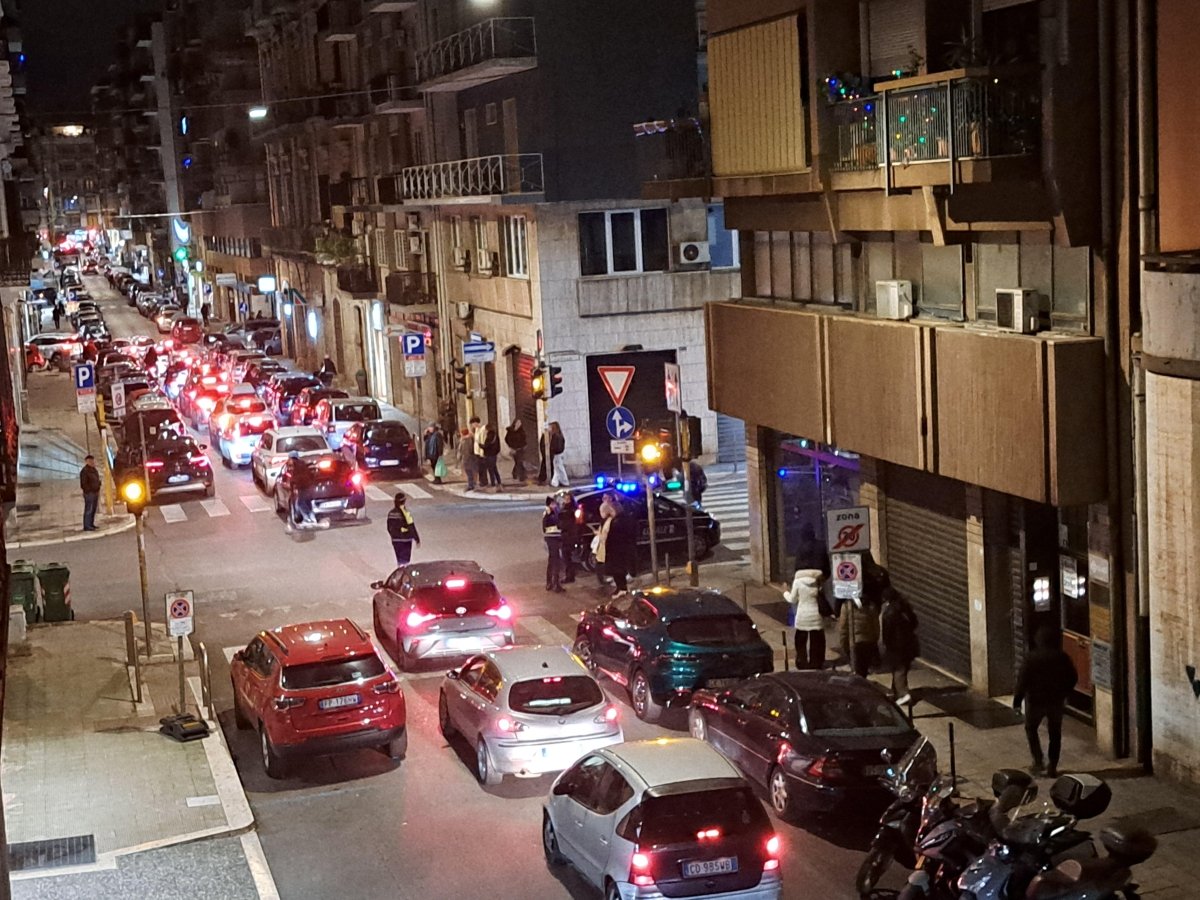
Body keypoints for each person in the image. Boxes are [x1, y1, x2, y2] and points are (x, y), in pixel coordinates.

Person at [1014, 626, 1078, 777]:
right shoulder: (1062, 657)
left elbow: (1022, 681)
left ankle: (1038, 761)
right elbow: (1073, 677)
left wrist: (1017, 701)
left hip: (1036, 701)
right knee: (1055, 733)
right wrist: (1064, 692)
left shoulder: (1031, 658)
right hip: (1055, 701)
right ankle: (1052, 766)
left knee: (1031, 729)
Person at [784, 567, 831, 669]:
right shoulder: (818, 582)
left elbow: (792, 600)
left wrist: (785, 592)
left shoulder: (797, 582)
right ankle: (816, 662)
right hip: (816, 615)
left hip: (802, 616)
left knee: (800, 640)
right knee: (816, 641)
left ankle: (802, 661)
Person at [880, 587, 919, 705]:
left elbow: (887, 631)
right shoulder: (905, 607)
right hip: (909, 644)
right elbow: (914, 622)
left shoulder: (889, 612)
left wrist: (885, 644)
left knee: (898, 669)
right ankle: (896, 692)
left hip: (896, 646)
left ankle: (903, 694)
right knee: (902, 668)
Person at [838, 593, 881, 678]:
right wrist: (875, 639)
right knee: (864, 669)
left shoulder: (847, 607)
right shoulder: (871, 606)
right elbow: (876, 626)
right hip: (868, 641)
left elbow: (843, 628)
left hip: (854, 643)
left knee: (856, 669)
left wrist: (843, 644)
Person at [603, 495, 637, 595]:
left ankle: (622, 589)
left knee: (618, 570)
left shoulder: (619, 521)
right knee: (617, 570)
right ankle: (620, 588)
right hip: (618, 549)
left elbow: (617, 535)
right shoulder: (619, 520)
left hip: (618, 550)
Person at [386, 492, 420, 566]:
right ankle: (404, 572)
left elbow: (389, 527)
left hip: (396, 540)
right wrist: (416, 538)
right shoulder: (407, 513)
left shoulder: (391, 513)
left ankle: (400, 571)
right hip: (406, 540)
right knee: (406, 561)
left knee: (399, 560)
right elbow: (411, 526)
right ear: (404, 501)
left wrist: (393, 536)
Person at [542, 496, 565, 593]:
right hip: (552, 538)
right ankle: (555, 584)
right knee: (555, 561)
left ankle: (550, 583)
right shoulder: (549, 513)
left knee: (552, 560)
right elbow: (547, 526)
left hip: (553, 538)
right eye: (553, 503)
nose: (555, 505)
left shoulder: (554, 512)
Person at [558, 493, 579, 584]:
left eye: (567, 499)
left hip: (568, 536)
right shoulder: (565, 509)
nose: (566, 501)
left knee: (567, 557)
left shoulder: (570, 510)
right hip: (566, 535)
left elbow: (567, 524)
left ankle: (570, 576)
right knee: (566, 557)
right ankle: (570, 575)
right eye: (565, 499)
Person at [80, 454, 101, 531]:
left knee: (93, 509)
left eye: (92, 460)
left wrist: (98, 484)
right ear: (86, 461)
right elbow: (83, 483)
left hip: (95, 492)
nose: (92, 462)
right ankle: (87, 525)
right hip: (89, 493)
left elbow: (96, 479)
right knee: (89, 509)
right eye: (90, 461)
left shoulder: (94, 470)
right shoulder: (85, 471)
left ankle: (91, 524)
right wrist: (88, 490)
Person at [505, 419, 528, 484]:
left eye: (520, 423)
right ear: (514, 423)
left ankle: (521, 476)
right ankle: (516, 473)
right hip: (513, 448)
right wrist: (510, 446)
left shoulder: (522, 431)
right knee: (517, 462)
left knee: (519, 461)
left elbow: (524, 438)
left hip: (520, 448)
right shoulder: (510, 431)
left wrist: (524, 445)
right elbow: (507, 439)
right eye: (517, 423)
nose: (519, 424)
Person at [457, 426, 478, 491]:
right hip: (470, 458)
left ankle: (471, 485)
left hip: (467, 459)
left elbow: (465, 451)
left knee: (469, 472)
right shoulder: (468, 439)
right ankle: (472, 484)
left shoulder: (465, 441)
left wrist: (460, 459)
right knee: (471, 472)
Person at [548, 421, 568, 487]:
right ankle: (561, 481)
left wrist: (553, 450)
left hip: (557, 454)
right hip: (559, 454)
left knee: (558, 468)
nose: (549, 428)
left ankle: (557, 482)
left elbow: (556, 446)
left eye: (550, 427)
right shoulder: (559, 435)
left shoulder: (556, 436)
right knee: (558, 468)